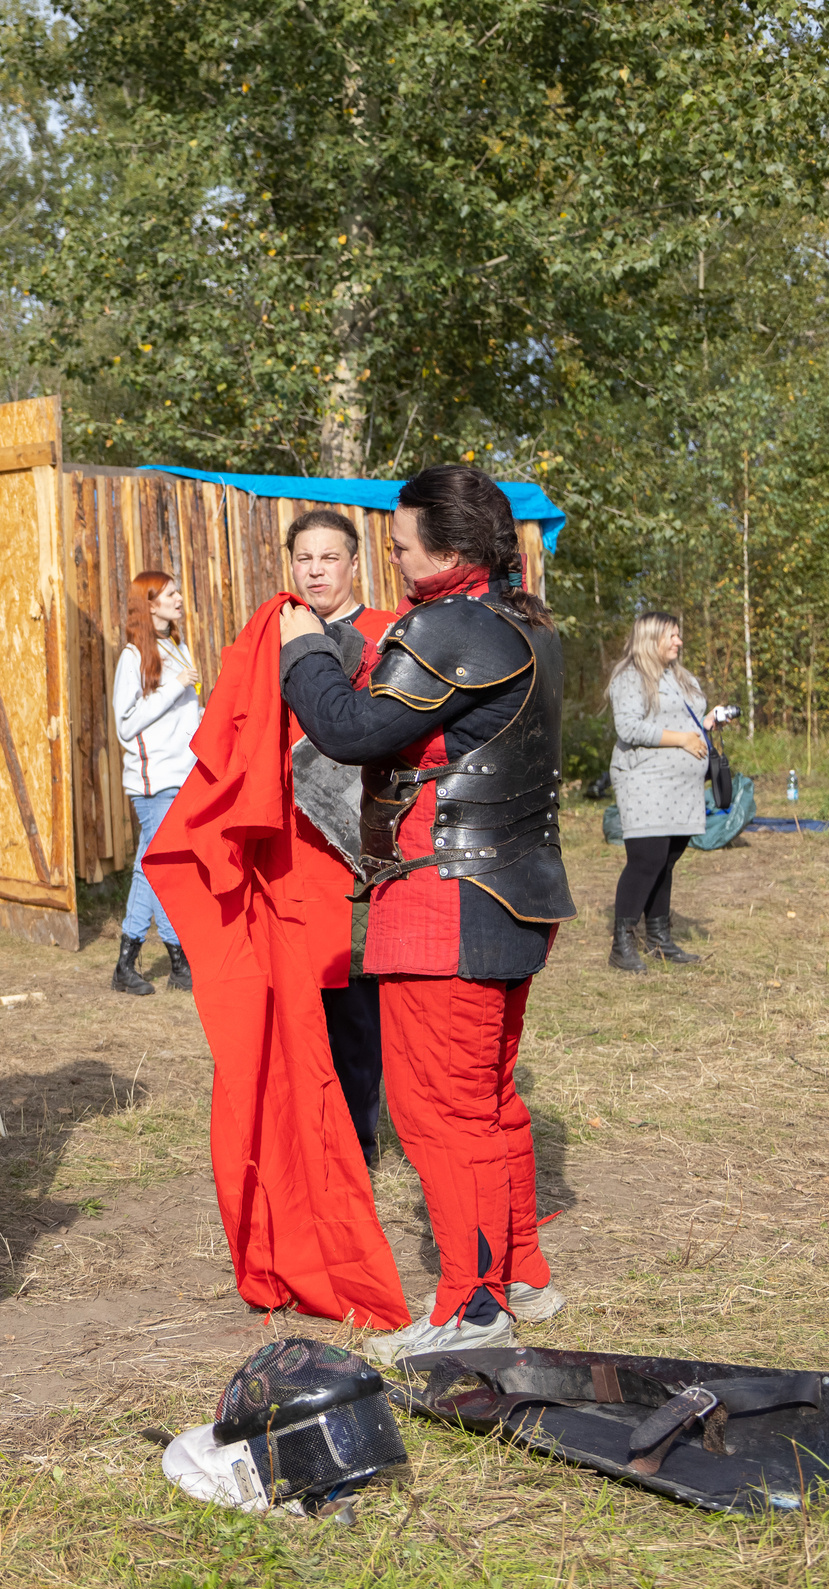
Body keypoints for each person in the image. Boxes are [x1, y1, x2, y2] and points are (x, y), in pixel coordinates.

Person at [273, 465, 575, 1363]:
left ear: (446, 549)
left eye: (403, 545)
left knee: (441, 1112)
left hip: (448, 895)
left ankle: (471, 1306)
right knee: (484, 1101)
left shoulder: (454, 624)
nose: (394, 559)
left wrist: (305, 651)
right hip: (509, 889)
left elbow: (354, 730)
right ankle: (518, 1270)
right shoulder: (526, 620)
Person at [282, 508, 394, 1165]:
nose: (316, 569)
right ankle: (310, 1129)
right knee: (301, 1002)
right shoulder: (281, 634)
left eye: (329, 557)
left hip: (359, 853)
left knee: (354, 999)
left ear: (354, 563)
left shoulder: (387, 635)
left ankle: (360, 1139)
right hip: (293, 853)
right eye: (305, 558)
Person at [603, 611, 712, 974]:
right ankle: (622, 944)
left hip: (682, 787)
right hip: (645, 782)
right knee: (646, 860)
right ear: (651, 638)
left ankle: (659, 939)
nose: (679, 642)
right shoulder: (630, 677)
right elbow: (630, 727)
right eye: (673, 636)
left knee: (666, 860)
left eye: (679, 635)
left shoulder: (678, 676)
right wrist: (683, 739)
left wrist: (708, 724)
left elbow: (689, 717)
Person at [110, 571, 201, 996]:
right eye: (170, 594)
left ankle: (161, 963)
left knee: (153, 867)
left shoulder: (177, 647)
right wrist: (173, 689)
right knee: (154, 868)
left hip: (184, 776)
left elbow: (187, 719)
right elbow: (125, 725)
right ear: (149, 605)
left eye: (177, 592)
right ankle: (158, 960)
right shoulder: (133, 656)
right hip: (154, 783)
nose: (179, 598)